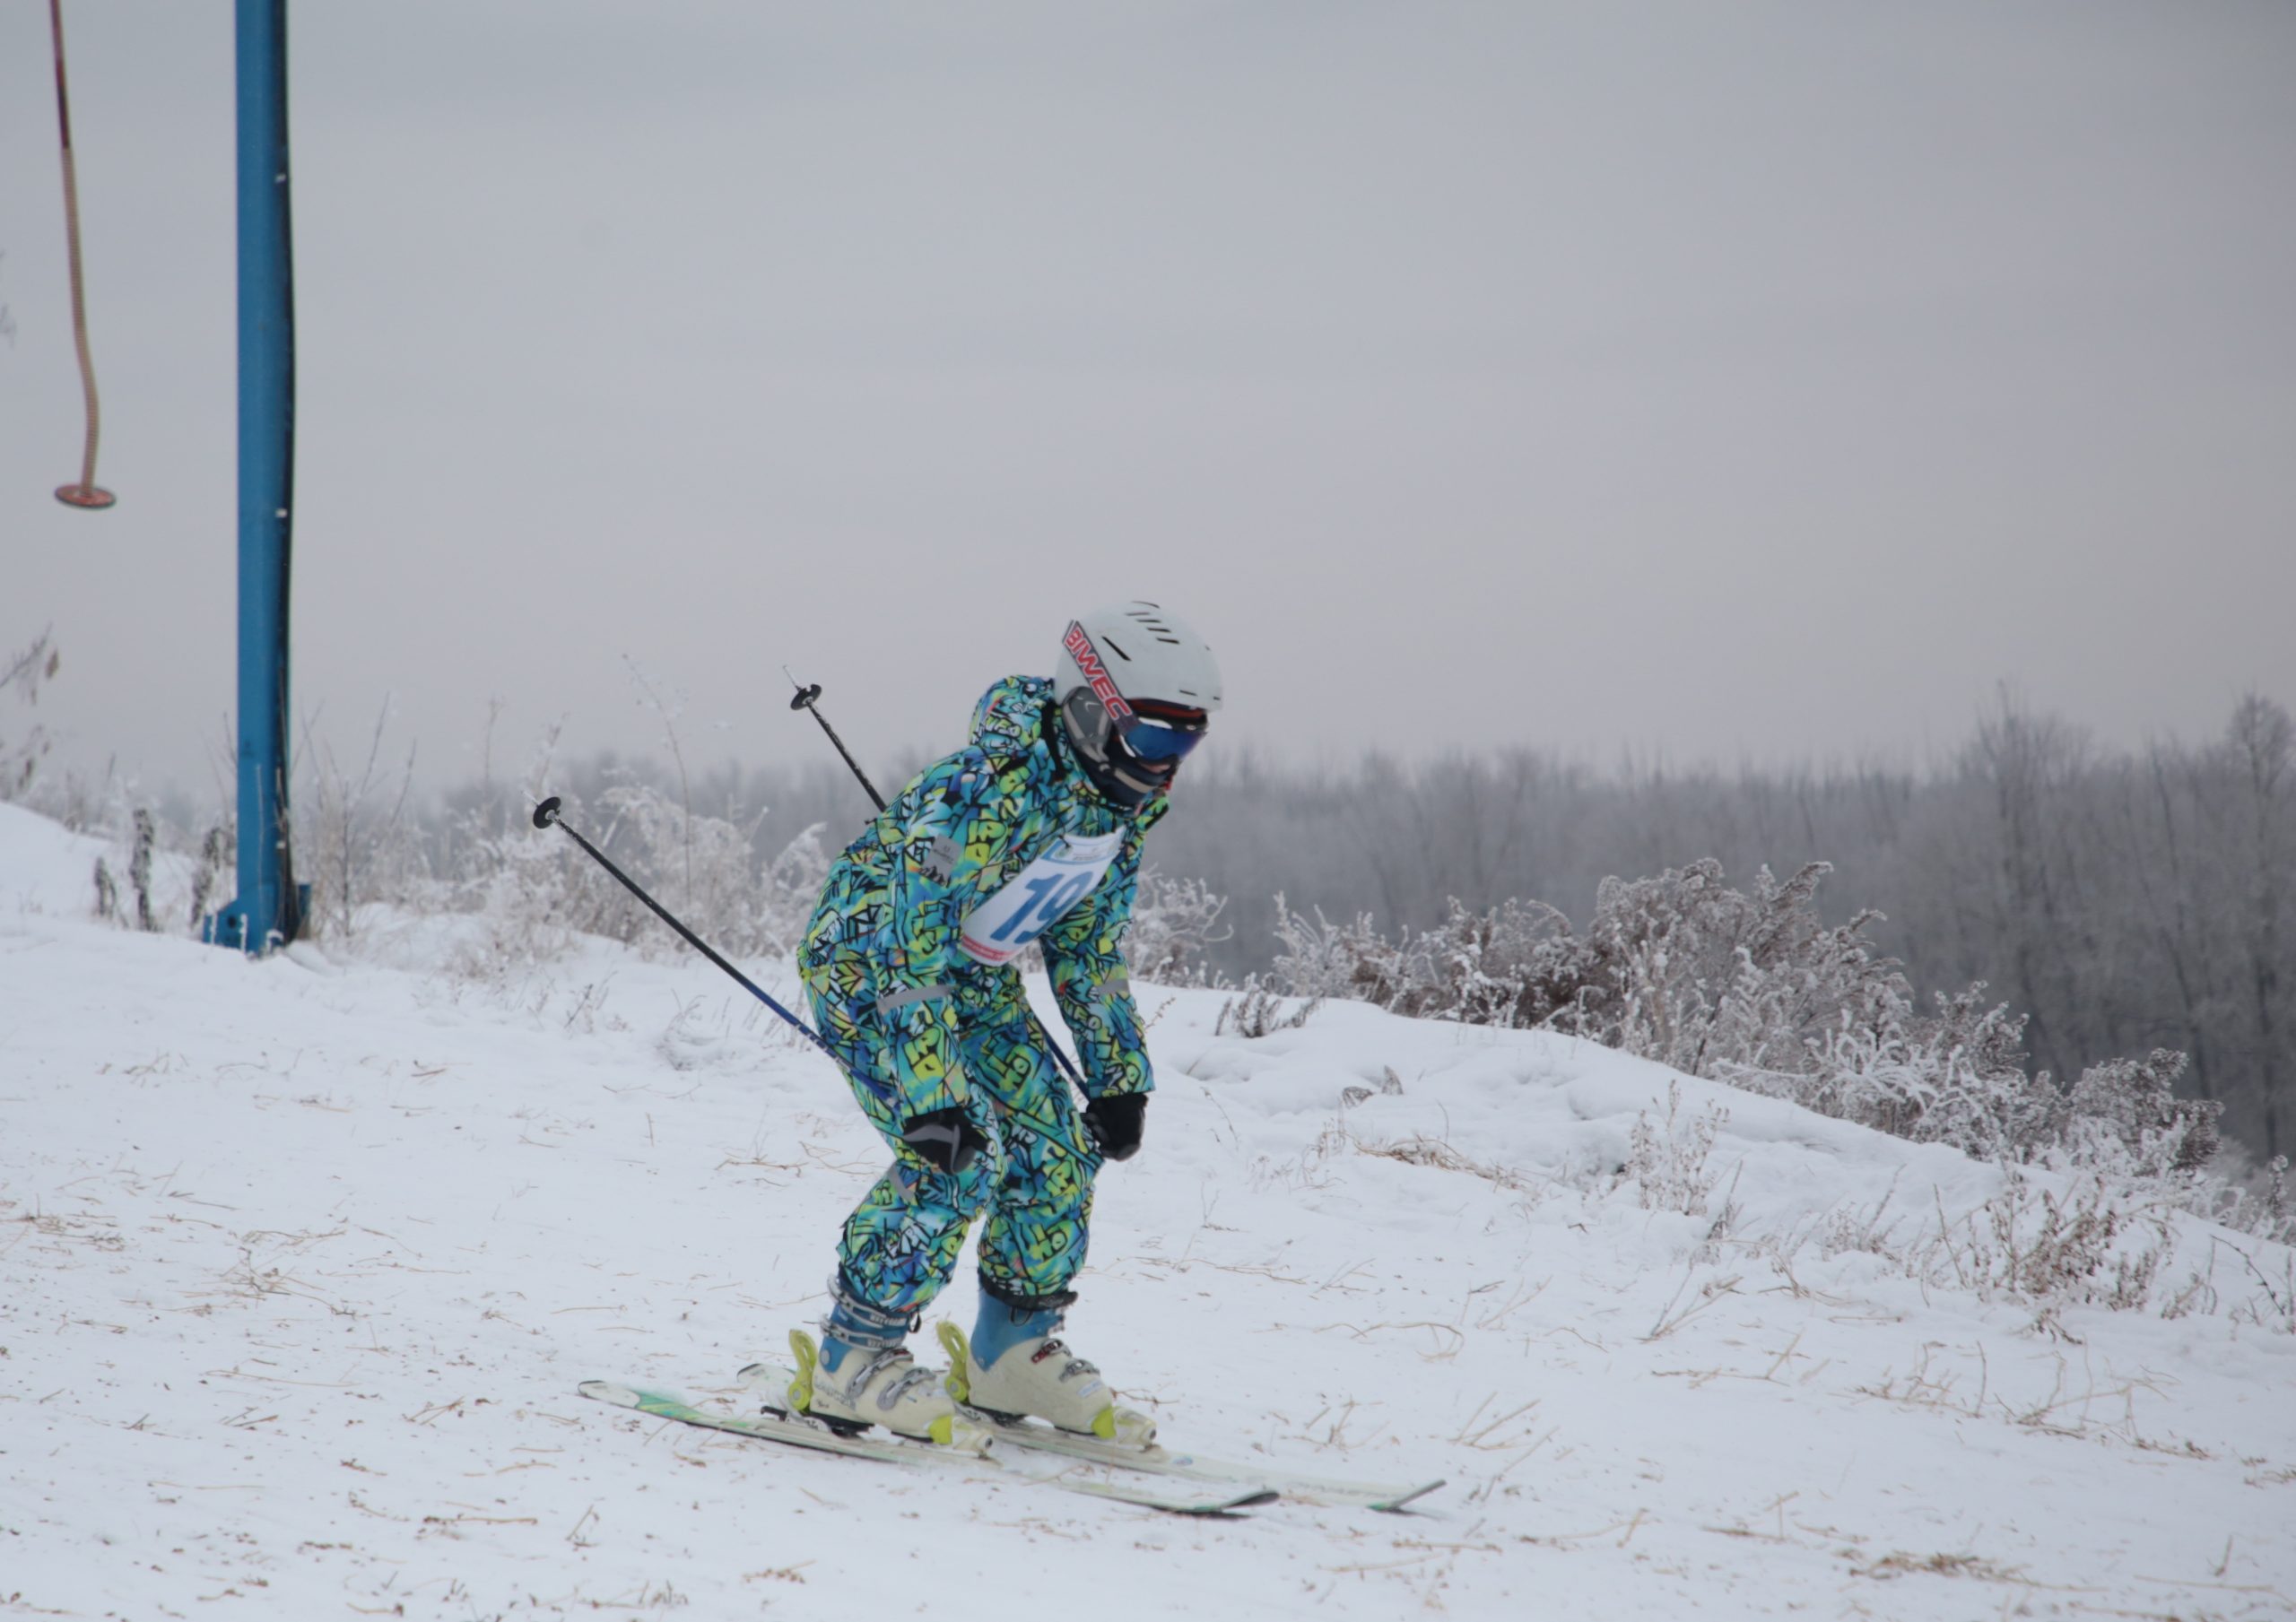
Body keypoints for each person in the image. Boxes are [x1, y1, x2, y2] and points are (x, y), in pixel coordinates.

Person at [788, 601, 1222, 1442]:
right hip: (871, 966)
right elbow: (908, 937)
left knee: (1059, 1150)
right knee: (958, 1151)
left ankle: (1008, 1354)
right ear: (1094, 712)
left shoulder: (1115, 811)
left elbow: (1088, 947)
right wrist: (931, 1090)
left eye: (1186, 743)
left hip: (972, 982)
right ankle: (853, 1356)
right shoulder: (978, 790)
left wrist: (1118, 1077)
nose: (1165, 766)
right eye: (1154, 740)